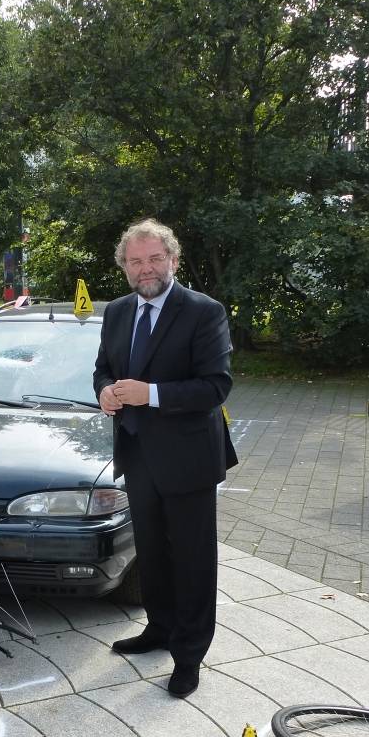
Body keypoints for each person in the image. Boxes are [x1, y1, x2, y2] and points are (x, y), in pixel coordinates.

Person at [93, 218, 236, 698]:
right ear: (125, 266)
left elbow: (216, 386)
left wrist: (148, 393)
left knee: (192, 559)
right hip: (137, 454)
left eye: (155, 258)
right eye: (136, 261)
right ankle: (159, 629)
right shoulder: (115, 312)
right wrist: (105, 394)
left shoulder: (203, 311)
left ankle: (189, 655)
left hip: (189, 456)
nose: (145, 268)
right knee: (151, 552)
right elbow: (103, 369)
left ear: (173, 260)